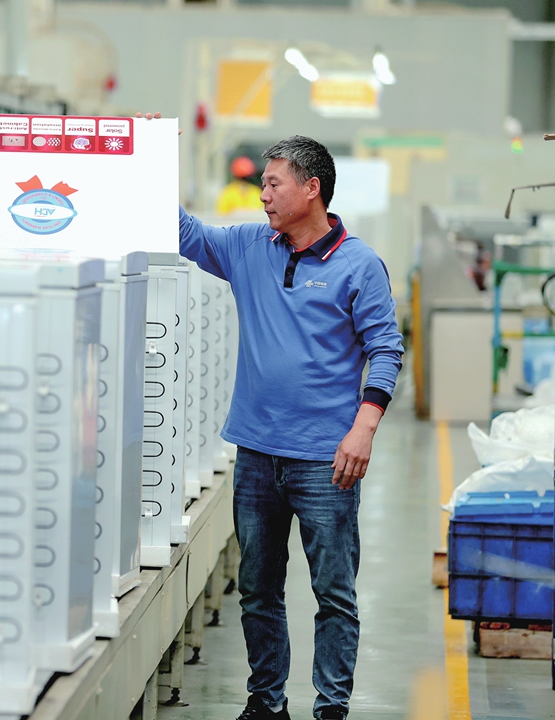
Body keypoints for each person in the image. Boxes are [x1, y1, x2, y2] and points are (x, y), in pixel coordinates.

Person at [139, 117, 404, 720]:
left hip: (326, 459)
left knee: (333, 592)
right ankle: (266, 705)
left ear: (311, 188)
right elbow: (183, 232)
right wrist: (153, 156)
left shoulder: (359, 265)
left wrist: (364, 426)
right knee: (259, 590)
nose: (262, 194)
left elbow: (386, 348)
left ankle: (331, 707)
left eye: (273, 183)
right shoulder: (249, 249)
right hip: (257, 453)